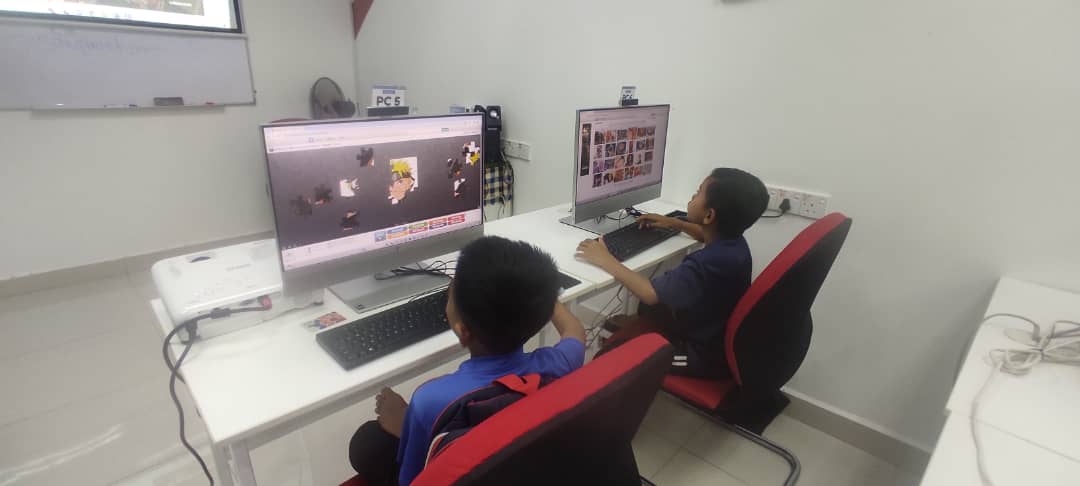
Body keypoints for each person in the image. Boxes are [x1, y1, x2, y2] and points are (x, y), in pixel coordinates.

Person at [349, 236, 587, 486]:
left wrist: (406, 422)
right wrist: (538, 293)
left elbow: (415, 479)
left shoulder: (430, 400)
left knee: (368, 441)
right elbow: (575, 331)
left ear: (463, 331)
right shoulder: (559, 364)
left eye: (451, 291)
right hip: (521, 463)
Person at [575, 168, 768, 378]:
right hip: (706, 330)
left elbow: (650, 293)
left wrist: (605, 259)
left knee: (615, 354)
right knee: (648, 311)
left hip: (699, 356)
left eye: (698, 192)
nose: (693, 195)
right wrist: (674, 223)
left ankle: (593, 385)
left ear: (709, 215)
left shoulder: (708, 263)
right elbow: (704, 234)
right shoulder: (734, 244)